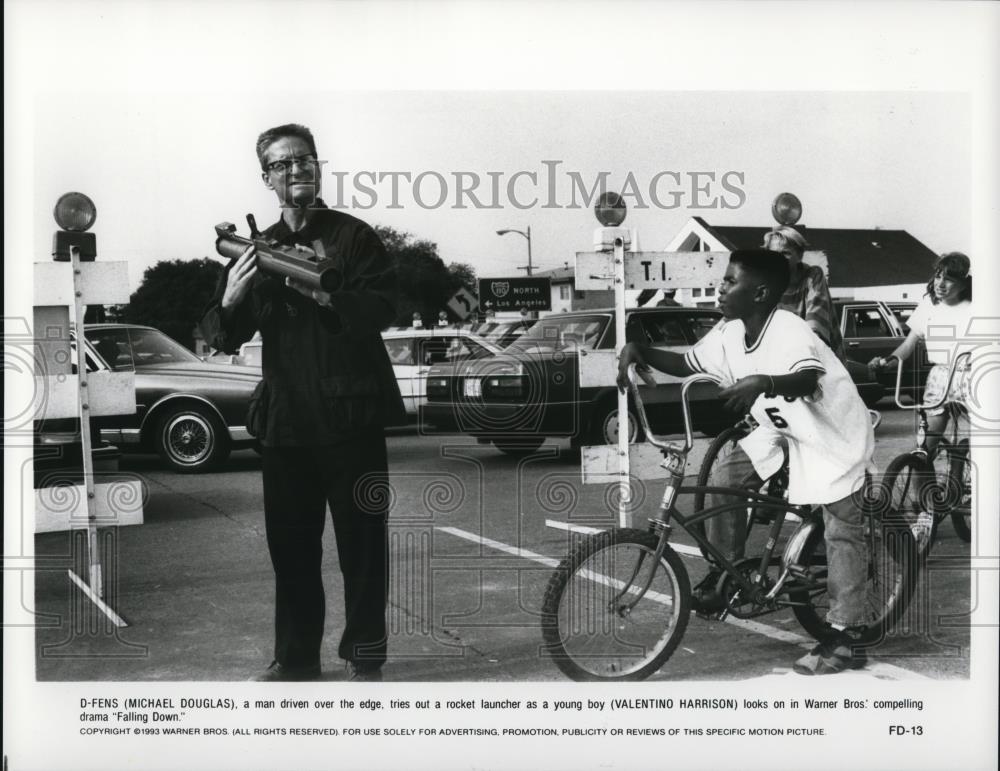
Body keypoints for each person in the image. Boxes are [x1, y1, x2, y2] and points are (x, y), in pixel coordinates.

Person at [200, 123, 406, 682]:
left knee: (363, 550)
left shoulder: (355, 237)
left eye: (305, 160)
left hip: (352, 419)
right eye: (284, 164)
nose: (297, 170)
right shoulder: (253, 249)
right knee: (291, 554)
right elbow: (221, 335)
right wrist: (234, 294)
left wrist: (325, 292)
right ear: (267, 177)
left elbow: (385, 306)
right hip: (287, 424)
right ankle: (296, 659)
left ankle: (366, 658)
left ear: (318, 168)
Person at [618, 249, 875, 674]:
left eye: (729, 280)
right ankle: (726, 578)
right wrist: (639, 349)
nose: (720, 287)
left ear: (758, 293)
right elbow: (686, 362)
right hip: (783, 425)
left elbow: (807, 378)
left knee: (840, 525)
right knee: (728, 472)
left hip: (831, 432)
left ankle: (846, 637)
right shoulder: (728, 332)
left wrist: (762, 382)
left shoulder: (788, 329)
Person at [697, 226, 844, 611]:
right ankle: (725, 570)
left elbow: (817, 329)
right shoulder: (758, 288)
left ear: (799, 256)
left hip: (814, 399)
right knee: (725, 477)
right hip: (772, 400)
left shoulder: (811, 280)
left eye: (787, 252)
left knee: (829, 495)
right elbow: (726, 331)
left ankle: (838, 579)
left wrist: (768, 372)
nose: (779, 258)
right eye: (772, 251)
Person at [870, 252, 973, 455]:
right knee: (924, 447)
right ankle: (925, 485)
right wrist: (888, 361)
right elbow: (908, 345)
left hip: (972, 374)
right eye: (938, 276)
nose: (941, 284)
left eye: (949, 279)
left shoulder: (978, 305)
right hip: (940, 375)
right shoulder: (928, 306)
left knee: (987, 439)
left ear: (963, 283)